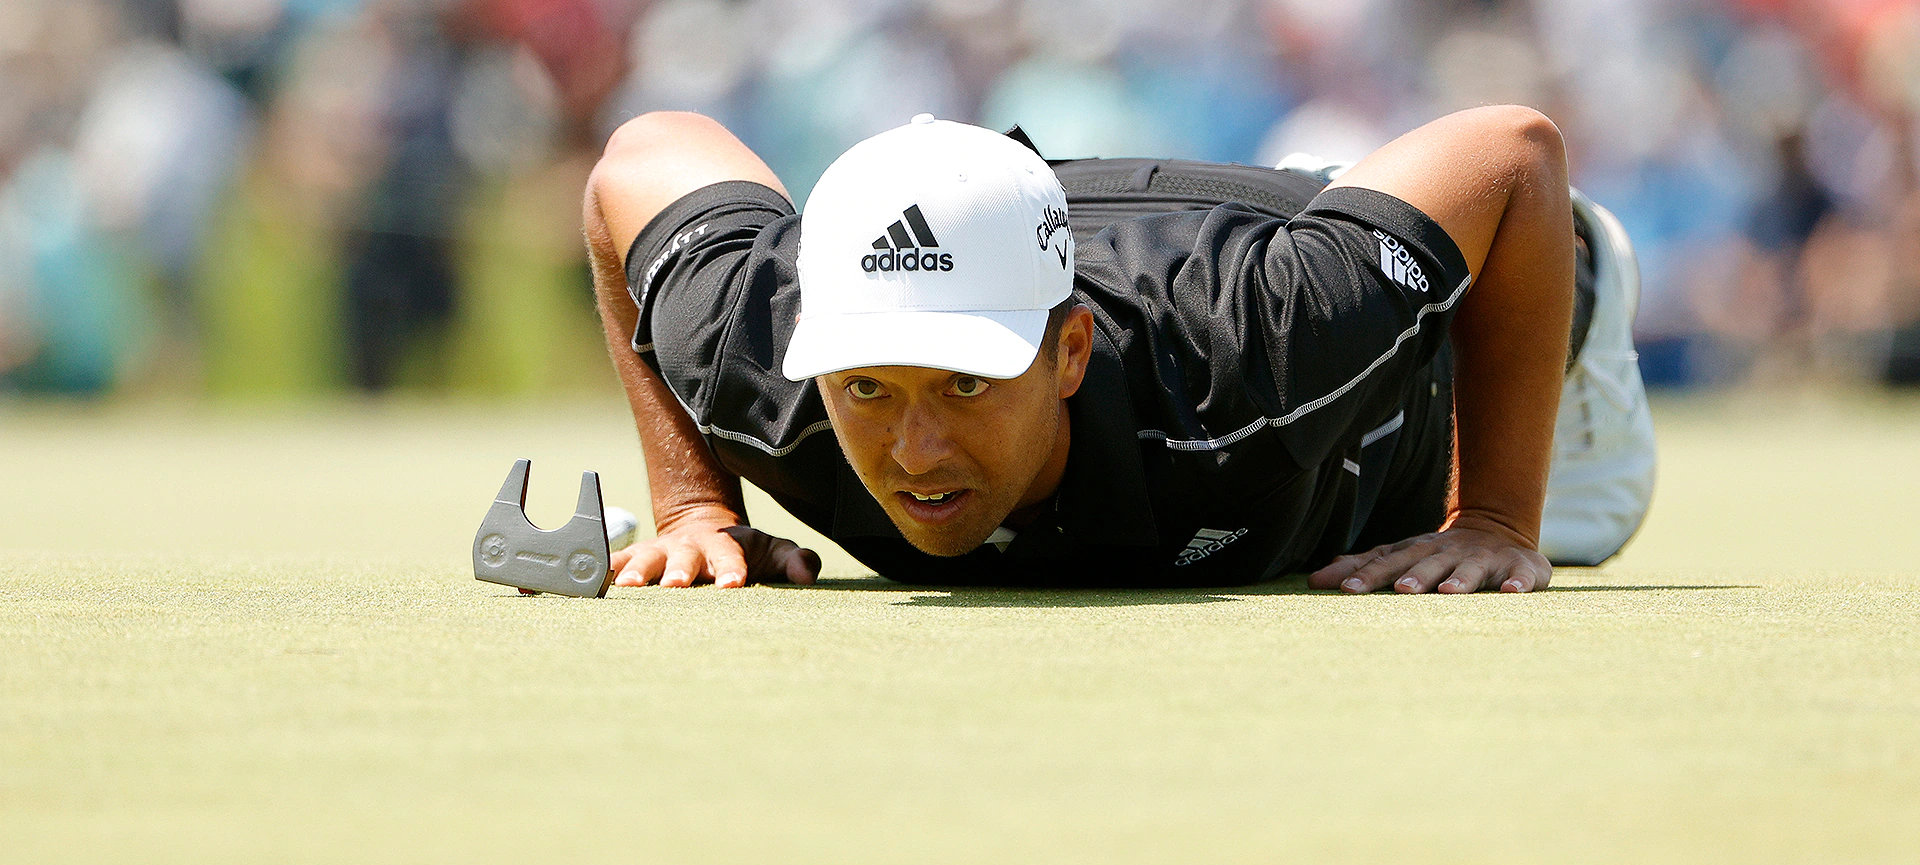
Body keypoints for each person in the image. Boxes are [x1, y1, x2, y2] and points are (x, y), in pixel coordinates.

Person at [581, 105, 1655, 592]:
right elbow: (637, 160)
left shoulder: (1259, 342)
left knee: (1575, 514)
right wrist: (697, 506)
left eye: (964, 380)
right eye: (866, 386)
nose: (913, 450)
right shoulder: (757, 352)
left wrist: (1499, 518)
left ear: (1068, 352)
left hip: (1404, 354)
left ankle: (1588, 298)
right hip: (1105, 227)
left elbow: (1512, 153)